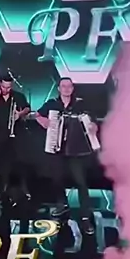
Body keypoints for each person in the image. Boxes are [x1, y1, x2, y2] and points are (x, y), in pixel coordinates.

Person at [36, 77, 98, 234]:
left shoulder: (80, 104)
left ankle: (85, 217)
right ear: (59, 88)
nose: (66, 89)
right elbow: (37, 114)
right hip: (57, 148)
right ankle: (62, 204)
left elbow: (92, 120)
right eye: (63, 86)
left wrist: (93, 126)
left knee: (81, 183)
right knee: (57, 178)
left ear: (72, 88)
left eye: (69, 86)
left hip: (76, 150)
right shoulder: (52, 104)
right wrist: (42, 120)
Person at [0, 75, 30, 200]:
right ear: (0, 85)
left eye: (8, 87)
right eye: (4, 87)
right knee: (2, 161)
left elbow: (27, 108)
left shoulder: (18, 96)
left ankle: (23, 187)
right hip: (0, 132)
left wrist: (20, 114)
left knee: (20, 160)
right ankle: (3, 187)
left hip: (17, 132)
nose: (6, 89)